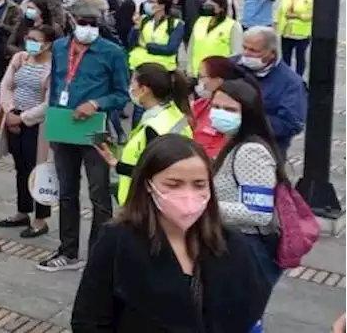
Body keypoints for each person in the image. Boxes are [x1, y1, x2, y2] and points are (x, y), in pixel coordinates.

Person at [71, 135, 272, 332]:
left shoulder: (232, 244)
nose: (188, 195)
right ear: (148, 185)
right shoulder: (117, 240)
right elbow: (89, 319)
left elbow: (248, 311)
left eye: (199, 184)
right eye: (173, 184)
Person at [39, 0, 130, 272]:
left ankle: (99, 257)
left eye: (93, 24)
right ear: (72, 21)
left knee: (99, 195)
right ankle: (68, 251)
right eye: (83, 23)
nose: (87, 29)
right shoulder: (58, 47)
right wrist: (53, 121)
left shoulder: (112, 52)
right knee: (67, 193)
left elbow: (121, 94)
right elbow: (56, 86)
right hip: (63, 128)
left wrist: (95, 104)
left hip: (95, 131)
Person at [208, 78, 286, 291]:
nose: (220, 113)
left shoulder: (250, 151)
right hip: (229, 244)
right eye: (216, 107)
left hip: (244, 249)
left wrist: (206, 207)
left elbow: (259, 211)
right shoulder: (232, 141)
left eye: (229, 109)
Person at [94, 63, 193, 206]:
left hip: (147, 203)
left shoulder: (154, 127)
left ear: (144, 89)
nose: (130, 88)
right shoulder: (173, 113)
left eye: (132, 82)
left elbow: (153, 172)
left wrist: (118, 165)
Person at [0, 25, 53, 237]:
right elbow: (6, 86)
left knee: (38, 171)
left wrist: (24, 118)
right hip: (13, 119)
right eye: (28, 38)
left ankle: (40, 219)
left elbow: (49, 102)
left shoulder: (53, 67)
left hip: (36, 125)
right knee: (21, 168)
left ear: (48, 44)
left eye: (36, 39)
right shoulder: (20, 58)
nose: (31, 43)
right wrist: (10, 111)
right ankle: (23, 211)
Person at [236, 26, 306, 156]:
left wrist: (250, 122)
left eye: (253, 50)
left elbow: (292, 123)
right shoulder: (233, 65)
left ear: (271, 53)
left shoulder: (290, 83)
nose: (246, 54)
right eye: (244, 47)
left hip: (266, 151)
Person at [126, 0, 182, 73]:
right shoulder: (144, 20)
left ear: (162, 6)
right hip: (140, 66)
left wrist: (147, 46)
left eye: (151, 2)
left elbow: (171, 49)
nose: (148, 4)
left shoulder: (175, 24)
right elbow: (131, 44)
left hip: (162, 69)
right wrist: (136, 27)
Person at [275, 0, 312, 76]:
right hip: (286, 31)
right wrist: (276, 23)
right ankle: (286, 77)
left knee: (300, 57)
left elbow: (311, 14)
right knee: (285, 57)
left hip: (301, 33)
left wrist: (297, 16)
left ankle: (299, 77)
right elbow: (280, 10)